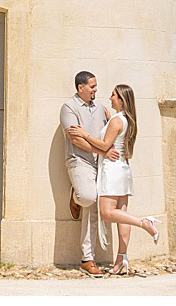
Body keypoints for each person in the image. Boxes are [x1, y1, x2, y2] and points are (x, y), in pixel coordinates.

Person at [68, 83, 160, 276]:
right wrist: (110, 119)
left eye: (113, 95)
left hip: (111, 170)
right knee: (121, 213)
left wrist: (85, 134)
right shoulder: (126, 119)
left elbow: (104, 145)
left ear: (121, 99)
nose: (110, 98)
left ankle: (144, 222)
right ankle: (121, 258)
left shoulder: (117, 121)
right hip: (124, 171)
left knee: (107, 213)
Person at [59, 71, 119, 277]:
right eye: (92, 87)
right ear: (80, 88)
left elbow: (107, 133)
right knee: (87, 197)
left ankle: (87, 259)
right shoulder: (69, 108)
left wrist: (111, 119)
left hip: (100, 164)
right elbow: (76, 140)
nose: (96, 90)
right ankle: (76, 194)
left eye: (96, 86)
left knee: (93, 210)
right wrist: (102, 151)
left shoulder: (101, 109)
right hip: (79, 161)